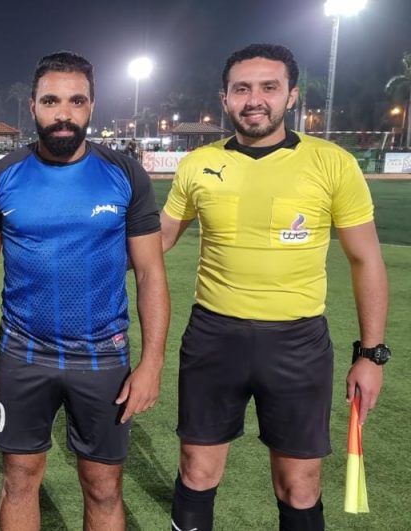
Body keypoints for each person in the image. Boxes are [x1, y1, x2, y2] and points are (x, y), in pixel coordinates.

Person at [161, 43, 389, 531]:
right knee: (197, 471)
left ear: (291, 95)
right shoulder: (197, 164)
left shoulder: (331, 162)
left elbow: (366, 259)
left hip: (297, 343)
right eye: (242, 89)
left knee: (300, 486)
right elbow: (157, 240)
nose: (254, 100)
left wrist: (371, 355)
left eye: (269, 87)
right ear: (225, 98)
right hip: (213, 337)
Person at [0, 51, 169, 531]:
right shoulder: (2, 177)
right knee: (20, 479)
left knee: (103, 487)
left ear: (91, 106)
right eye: (51, 101)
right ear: (33, 106)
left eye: (76, 101)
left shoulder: (124, 173)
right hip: (23, 354)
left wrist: (151, 364)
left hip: (103, 356)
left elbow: (150, 273)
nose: (63, 113)